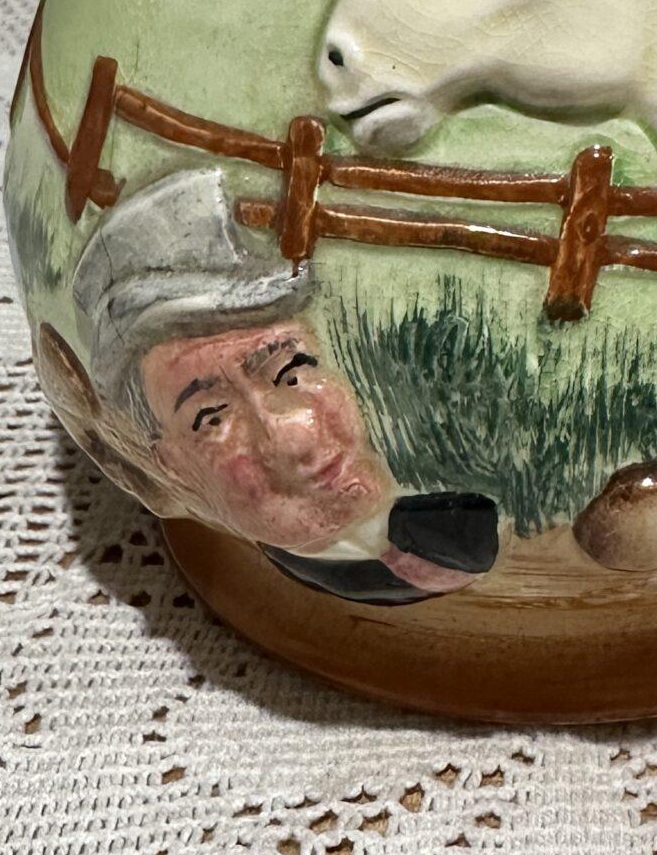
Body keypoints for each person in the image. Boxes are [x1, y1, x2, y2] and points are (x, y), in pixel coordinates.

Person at [69, 167, 496, 603]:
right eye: (213, 418)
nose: (293, 433)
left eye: (291, 371)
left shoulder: (461, 510)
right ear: (170, 464)